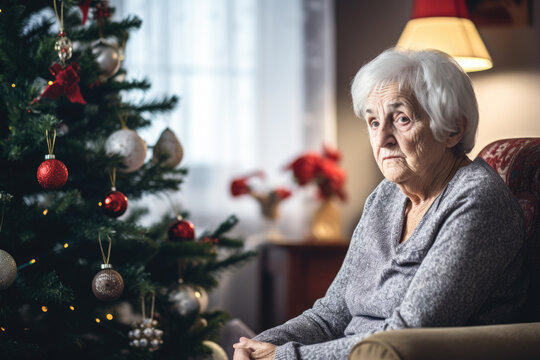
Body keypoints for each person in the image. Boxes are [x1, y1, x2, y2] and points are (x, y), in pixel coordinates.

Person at [233, 48, 527, 360]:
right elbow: (330, 315)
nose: (382, 137)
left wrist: (281, 357)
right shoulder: (386, 196)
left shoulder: (476, 202)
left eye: (401, 119)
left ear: (453, 129)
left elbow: (409, 334)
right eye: (374, 122)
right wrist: (258, 346)